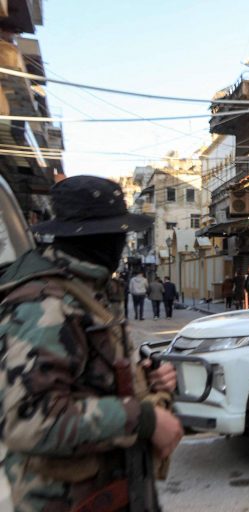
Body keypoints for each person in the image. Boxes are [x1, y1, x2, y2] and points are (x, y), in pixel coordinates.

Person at [0, 175, 183, 511]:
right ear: (91, 236)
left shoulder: (88, 289)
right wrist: (145, 419)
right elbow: (30, 418)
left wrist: (145, 377)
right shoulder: (45, 304)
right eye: (116, 232)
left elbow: (89, 371)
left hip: (114, 489)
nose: (121, 242)